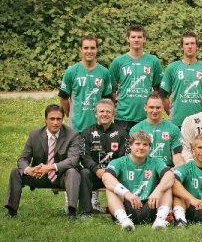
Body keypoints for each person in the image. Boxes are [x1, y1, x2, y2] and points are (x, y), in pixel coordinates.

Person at [59, 34, 112, 212]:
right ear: (80, 50)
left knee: (95, 163)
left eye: (93, 48)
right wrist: (71, 116)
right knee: (73, 164)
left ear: (97, 49)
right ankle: (70, 201)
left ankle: (94, 202)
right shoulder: (72, 71)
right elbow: (63, 98)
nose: (89, 51)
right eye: (86, 48)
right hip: (76, 127)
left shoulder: (104, 72)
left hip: (96, 129)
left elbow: (107, 101)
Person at [4, 104, 81, 220]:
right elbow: (22, 159)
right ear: (45, 120)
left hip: (62, 177)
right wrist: (28, 170)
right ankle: (11, 212)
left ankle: (71, 213)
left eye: (58, 119)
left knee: (73, 172)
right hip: (39, 175)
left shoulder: (72, 135)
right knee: (16, 172)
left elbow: (73, 160)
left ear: (63, 119)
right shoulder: (34, 135)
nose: (55, 122)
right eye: (52, 119)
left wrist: (50, 167)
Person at [101, 131, 174, 231]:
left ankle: (160, 220)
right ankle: (124, 221)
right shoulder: (119, 162)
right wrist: (126, 193)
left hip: (150, 205)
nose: (141, 147)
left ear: (149, 147)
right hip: (127, 206)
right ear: (130, 146)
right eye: (137, 144)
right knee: (111, 189)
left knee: (166, 186)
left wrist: (158, 191)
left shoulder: (156, 161)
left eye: (145, 144)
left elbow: (170, 176)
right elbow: (106, 177)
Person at [78, 99, 130, 220]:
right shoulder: (86, 133)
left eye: (108, 112)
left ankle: (121, 210)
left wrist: (111, 171)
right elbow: (84, 156)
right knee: (84, 172)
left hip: (115, 176)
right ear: (96, 114)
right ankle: (86, 212)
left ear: (113, 115)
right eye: (101, 111)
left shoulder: (122, 133)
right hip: (95, 175)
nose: (105, 114)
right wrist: (96, 169)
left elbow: (125, 157)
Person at [109, 25, 164, 133]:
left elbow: (158, 89)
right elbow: (111, 90)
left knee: (145, 149)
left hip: (146, 117)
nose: (136, 40)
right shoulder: (118, 62)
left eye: (139, 37)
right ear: (128, 39)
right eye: (133, 37)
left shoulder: (153, 61)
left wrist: (152, 107)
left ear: (144, 39)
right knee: (123, 149)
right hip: (123, 117)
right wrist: (118, 106)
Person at [160, 31, 202, 128]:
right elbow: (162, 94)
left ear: (197, 46)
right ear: (182, 47)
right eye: (186, 44)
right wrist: (171, 112)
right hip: (178, 123)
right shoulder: (172, 68)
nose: (189, 46)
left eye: (192, 43)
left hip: (201, 122)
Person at [130, 92, 184, 167]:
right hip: (143, 168)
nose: (155, 111)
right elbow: (132, 157)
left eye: (158, 107)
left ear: (163, 108)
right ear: (145, 107)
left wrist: (178, 169)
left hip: (166, 168)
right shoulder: (136, 129)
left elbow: (177, 155)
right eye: (151, 107)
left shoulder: (173, 129)